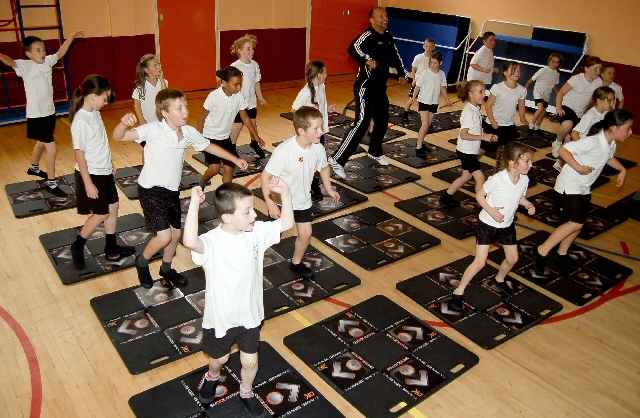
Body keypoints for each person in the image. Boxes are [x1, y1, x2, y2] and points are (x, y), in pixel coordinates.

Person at [113, 88, 249, 288]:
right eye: (178, 108)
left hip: (171, 191)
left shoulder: (188, 133)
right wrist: (122, 124)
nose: (185, 111)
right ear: (165, 113)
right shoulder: (153, 130)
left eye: (185, 106)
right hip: (150, 190)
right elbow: (119, 136)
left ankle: (166, 268)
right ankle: (142, 262)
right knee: (164, 236)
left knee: (176, 235)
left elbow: (209, 147)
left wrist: (235, 158)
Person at [183, 179, 294, 417]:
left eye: (254, 208)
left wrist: (285, 194)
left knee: (249, 362)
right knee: (220, 358)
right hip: (222, 318)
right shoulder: (213, 242)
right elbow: (190, 241)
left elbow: (287, 222)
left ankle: (246, 391)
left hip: (250, 316)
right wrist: (194, 203)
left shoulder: (256, 232)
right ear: (227, 217)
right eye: (248, 211)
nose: (255, 214)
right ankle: (212, 375)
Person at [534, 109, 632, 273]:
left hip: (583, 186)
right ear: (614, 128)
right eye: (628, 128)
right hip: (569, 184)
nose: (630, 132)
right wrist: (579, 168)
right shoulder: (593, 142)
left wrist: (622, 169)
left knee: (579, 223)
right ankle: (541, 251)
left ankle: (561, 253)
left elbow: (608, 157)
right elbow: (563, 150)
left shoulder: (610, 143)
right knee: (575, 222)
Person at [450, 142, 536, 310]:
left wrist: (528, 205)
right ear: (512, 163)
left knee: (513, 259)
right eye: (527, 161)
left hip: (507, 225)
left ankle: (500, 279)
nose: (530, 165)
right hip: (487, 225)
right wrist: (490, 210)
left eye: (530, 161)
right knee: (480, 263)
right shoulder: (497, 179)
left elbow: (518, 196)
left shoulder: (524, 179)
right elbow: (479, 195)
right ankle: (458, 291)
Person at [328, 7, 408, 179]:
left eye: (386, 16)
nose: (385, 18)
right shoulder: (368, 35)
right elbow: (353, 48)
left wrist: (402, 72)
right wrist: (366, 58)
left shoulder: (388, 36)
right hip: (365, 88)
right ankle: (337, 159)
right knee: (361, 123)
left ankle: (375, 151)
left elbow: (395, 54)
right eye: (381, 16)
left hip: (380, 88)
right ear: (372, 20)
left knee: (383, 119)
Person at [0, 31, 83, 197]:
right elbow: (9, 61)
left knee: (40, 142)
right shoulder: (25, 66)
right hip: (36, 116)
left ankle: (34, 168)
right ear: (29, 54)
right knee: (52, 148)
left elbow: (60, 52)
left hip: (49, 113)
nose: (43, 52)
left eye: (43, 49)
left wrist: (72, 37)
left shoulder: (47, 62)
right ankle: (51, 184)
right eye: (38, 50)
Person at [261, 107, 340, 278]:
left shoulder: (317, 148)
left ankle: (296, 263)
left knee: (306, 234)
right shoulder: (284, 151)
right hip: (282, 203)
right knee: (272, 237)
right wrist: (270, 203)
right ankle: (253, 259)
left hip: (303, 201)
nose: (322, 131)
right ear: (301, 131)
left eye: (321, 127)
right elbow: (265, 176)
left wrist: (329, 189)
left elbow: (324, 168)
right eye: (316, 128)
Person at [69, 75, 135, 268]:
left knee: (113, 206)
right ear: (92, 96)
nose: (105, 103)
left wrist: (109, 163)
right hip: (91, 174)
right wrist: (88, 182)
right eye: (104, 99)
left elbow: (100, 143)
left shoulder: (94, 113)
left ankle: (111, 247)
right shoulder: (81, 120)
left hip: (103, 170)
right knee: (101, 214)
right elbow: (79, 155)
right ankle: (78, 245)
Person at [198, 67, 265, 186]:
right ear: (224, 83)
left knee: (230, 168)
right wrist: (199, 140)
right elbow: (201, 119)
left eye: (241, 84)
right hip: (210, 137)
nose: (239, 87)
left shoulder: (238, 96)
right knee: (215, 168)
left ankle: (226, 192)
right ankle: (202, 184)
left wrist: (256, 136)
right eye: (236, 84)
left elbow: (245, 117)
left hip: (225, 138)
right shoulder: (213, 96)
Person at [440, 80, 497, 206]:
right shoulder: (468, 112)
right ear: (471, 94)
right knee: (480, 178)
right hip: (466, 152)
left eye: (484, 91)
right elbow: (464, 135)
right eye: (480, 92)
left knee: (465, 177)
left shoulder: (475, 108)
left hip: (468, 150)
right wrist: (483, 137)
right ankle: (482, 206)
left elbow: (474, 129)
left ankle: (446, 197)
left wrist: (486, 135)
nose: (484, 94)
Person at [292, 60, 337, 200]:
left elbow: (321, 104)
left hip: (320, 130)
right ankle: (309, 184)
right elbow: (294, 109)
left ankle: (314, 183)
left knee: (318, 158)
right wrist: (309, 113)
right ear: (319, 75)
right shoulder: (305, 92)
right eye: (325, 72)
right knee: (310, 159)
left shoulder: (322, 86)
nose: (327, 75)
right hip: (310, 133)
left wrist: (326, 110)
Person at [551, 56, 603, 158]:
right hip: (568, 106)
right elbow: (561, 93)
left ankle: (562, 157)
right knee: (567, 124)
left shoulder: (599, 82)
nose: (598, 71)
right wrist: (558, 108)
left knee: (571, 139)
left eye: (600, 69)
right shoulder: (576, 79)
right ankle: (557, 142)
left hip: (580, 112)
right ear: (586, 68)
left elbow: (597, 99)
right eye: (595, 68)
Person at [230, 34, 267, 158]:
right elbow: (229, 86)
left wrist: (260, 97)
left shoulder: (254, 65)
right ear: (240, 50)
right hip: (239, 103)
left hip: (251, 102)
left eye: (252, 48)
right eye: (248, 49)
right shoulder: (235, 67)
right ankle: (231, 147)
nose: (251, 51)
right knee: (238, 125)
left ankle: (254, 143)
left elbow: (256, 82)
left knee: (253, 123)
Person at [409, 51, 452, 157]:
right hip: (424, 101)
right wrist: (414, 97)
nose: (432, 65)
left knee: (428, 125)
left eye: (435, 63)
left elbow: (442, 87)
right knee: (425, 124)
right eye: (431, 63)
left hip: (434, 102)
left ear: (440, 63)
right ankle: (418, 147)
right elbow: (418, 86)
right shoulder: (425, 73)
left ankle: (421, 143)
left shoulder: (442, 74)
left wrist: (447, 99)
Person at [482, 61, 528, 154]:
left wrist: (522, 118)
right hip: (493, 125)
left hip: (509, 126)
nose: (517, 72)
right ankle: (471, 164)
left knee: (508, 151)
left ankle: (503, 168)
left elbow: (522, 106)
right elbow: (488, 106)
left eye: (519, 70)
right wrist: (493, 121)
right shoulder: (497, 87)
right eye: (514, 70)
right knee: (484, 149)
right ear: (505, 73)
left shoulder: (522, 90)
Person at [132, 54, 167, 160]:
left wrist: (161, 80)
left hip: (161, 121)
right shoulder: (141, 87)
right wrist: (142, 120)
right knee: (148, 148)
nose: (159, 68)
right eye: (155, 66)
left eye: (159, 65)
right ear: (147, 70)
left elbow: (165, 96)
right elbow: (137, 104)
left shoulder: (164, 82)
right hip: (148, 121)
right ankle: (145, 170)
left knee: (162, 146)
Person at [525, 53, 563, 131]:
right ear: (549, 61)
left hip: (546, 95)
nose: (555, 64)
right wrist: (525, 88)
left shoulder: (556, 73)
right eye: (553, 61)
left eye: (557, 62)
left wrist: (558, 93)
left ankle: (537, 127)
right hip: (538, 92)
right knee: (540, 108)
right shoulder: (543, 70)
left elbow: (554, 85)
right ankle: (531, 125)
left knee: (543, 111)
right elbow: (532, 79)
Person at [403, 38, 436, 122]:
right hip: (418, 82)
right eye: (426, 46)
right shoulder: (419, 57)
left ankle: (426, 118)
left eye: (430, 47)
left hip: (427, 84)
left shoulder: (433, 59)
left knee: (427, 101)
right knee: (412, 98)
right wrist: (413, 79)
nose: (428, 48)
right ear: (423, 46)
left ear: (433, 48)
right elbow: (413, 69)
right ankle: (405, 112)